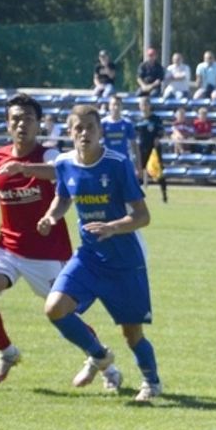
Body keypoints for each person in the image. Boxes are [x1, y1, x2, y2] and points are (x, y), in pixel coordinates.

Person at [34, 104, 161, 402]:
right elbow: (63, 198)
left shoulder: (117, 165)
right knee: (54, 308)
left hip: (124, 261)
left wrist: (113, 227)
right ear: (69, 132)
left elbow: (143, 216)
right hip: (89, 258)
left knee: (132, 335)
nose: (84, 133)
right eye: (78, 128)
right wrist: (52, 216)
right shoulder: (65, 164)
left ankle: (151, 382)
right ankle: (99, 356)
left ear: (100, 131)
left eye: (90, 127)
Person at [0, 94, 74, 384]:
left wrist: (26, 171)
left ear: (39, 124)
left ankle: (101, 360)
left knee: (65, 315)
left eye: (28, 118)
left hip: (48, 252)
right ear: (7, 124)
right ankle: (7, 352)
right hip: (9, 248)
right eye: (15, 118)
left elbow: (64, 180)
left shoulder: (49, 156)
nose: (21, 124)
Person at [135, 96, 168, 203]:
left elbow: (161, 131)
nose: (143, 107)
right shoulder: (137, 120)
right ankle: (135, 196)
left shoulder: (156, 119)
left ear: (149, 106)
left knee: (158, 172)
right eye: (142, 105)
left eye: (145, 104)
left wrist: (158, 137)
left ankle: (164, 196)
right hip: (141, 149)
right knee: (139, 173)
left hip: (154, 150)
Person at [101, 95, 139, 172]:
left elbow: (134, 144)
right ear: (109, 106)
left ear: (122, 107)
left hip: (123, 160)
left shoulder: (127, 123)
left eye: (118, 104)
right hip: (108, 160)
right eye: (114, 104)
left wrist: (137, 165)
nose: (116, 107)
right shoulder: (103, 123)